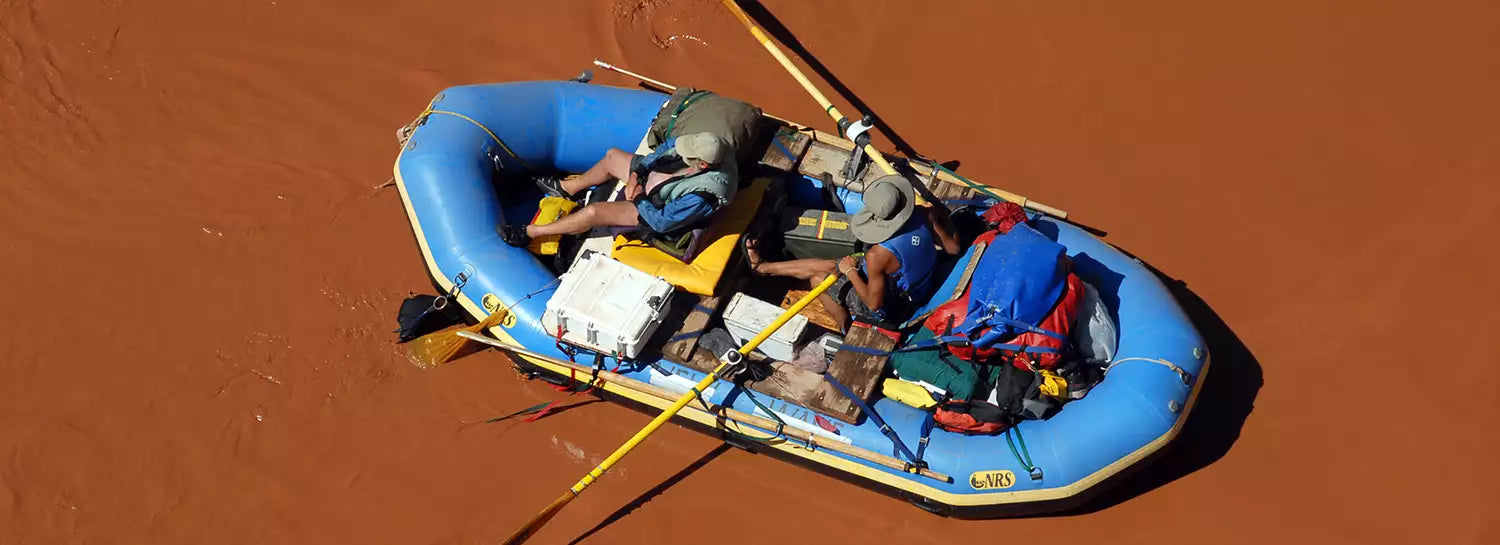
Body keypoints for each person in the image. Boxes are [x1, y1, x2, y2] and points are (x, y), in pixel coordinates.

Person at [746, 175, 949, 331]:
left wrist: (850, 271)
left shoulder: (877, 255)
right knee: (829, 265)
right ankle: (763, 268)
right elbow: (953, 248)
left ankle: (844, 327)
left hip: (895, 306)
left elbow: (874, 304)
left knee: (818, 279)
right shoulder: (926, 214)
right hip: (920, 283)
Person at [499, 132, 737, 247]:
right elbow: (669, 145)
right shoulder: (711, 145)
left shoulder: (703, 195)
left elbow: (662, 222)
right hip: (658, 183)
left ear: (703, 164)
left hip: (656, 209)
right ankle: (568, 188)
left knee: (593, 213)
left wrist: (639, 197)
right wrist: (638, 172)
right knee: (613, 156)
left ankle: (530, 233)